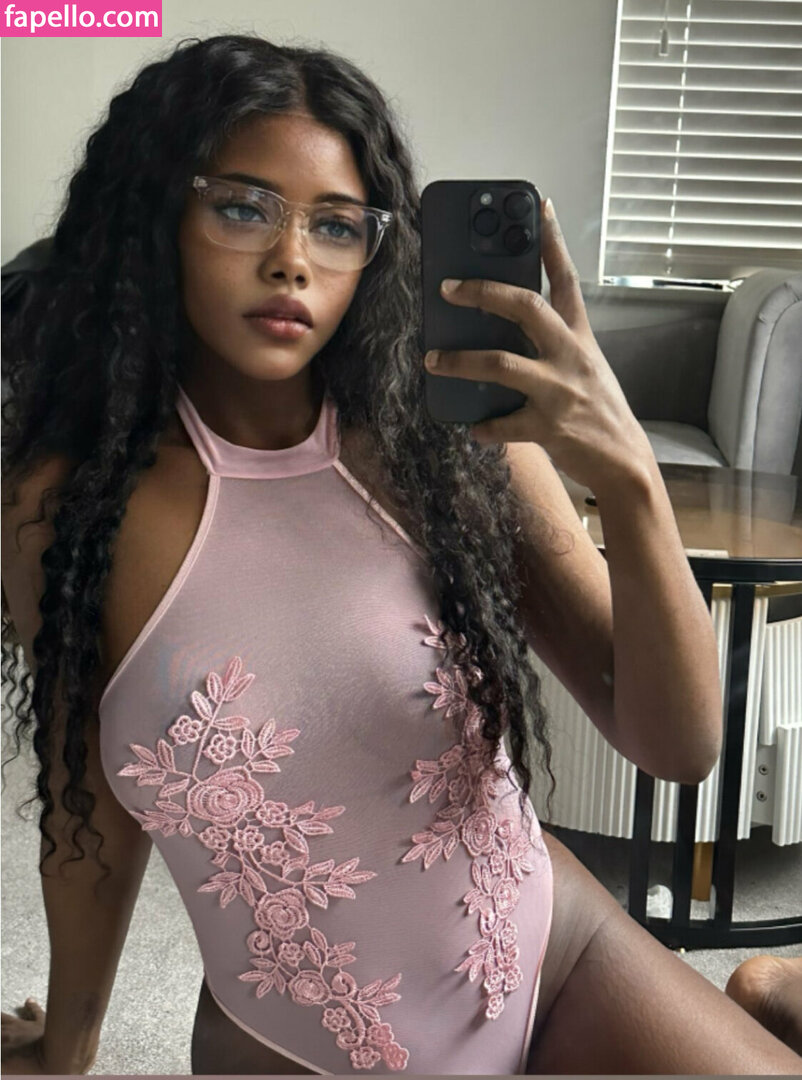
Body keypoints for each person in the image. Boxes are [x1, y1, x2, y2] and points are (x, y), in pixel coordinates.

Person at [1, 32, 799, 1077]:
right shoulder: (66, 509)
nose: (292, 258)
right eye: (242, 208)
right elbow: (89, 807)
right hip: (295, 1042)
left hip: (553, 960)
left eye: (337, 225)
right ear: (156, 215)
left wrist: (631, 482)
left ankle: (769, 991)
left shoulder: (447, 451)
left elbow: (681, 747)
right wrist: (67, 1046)